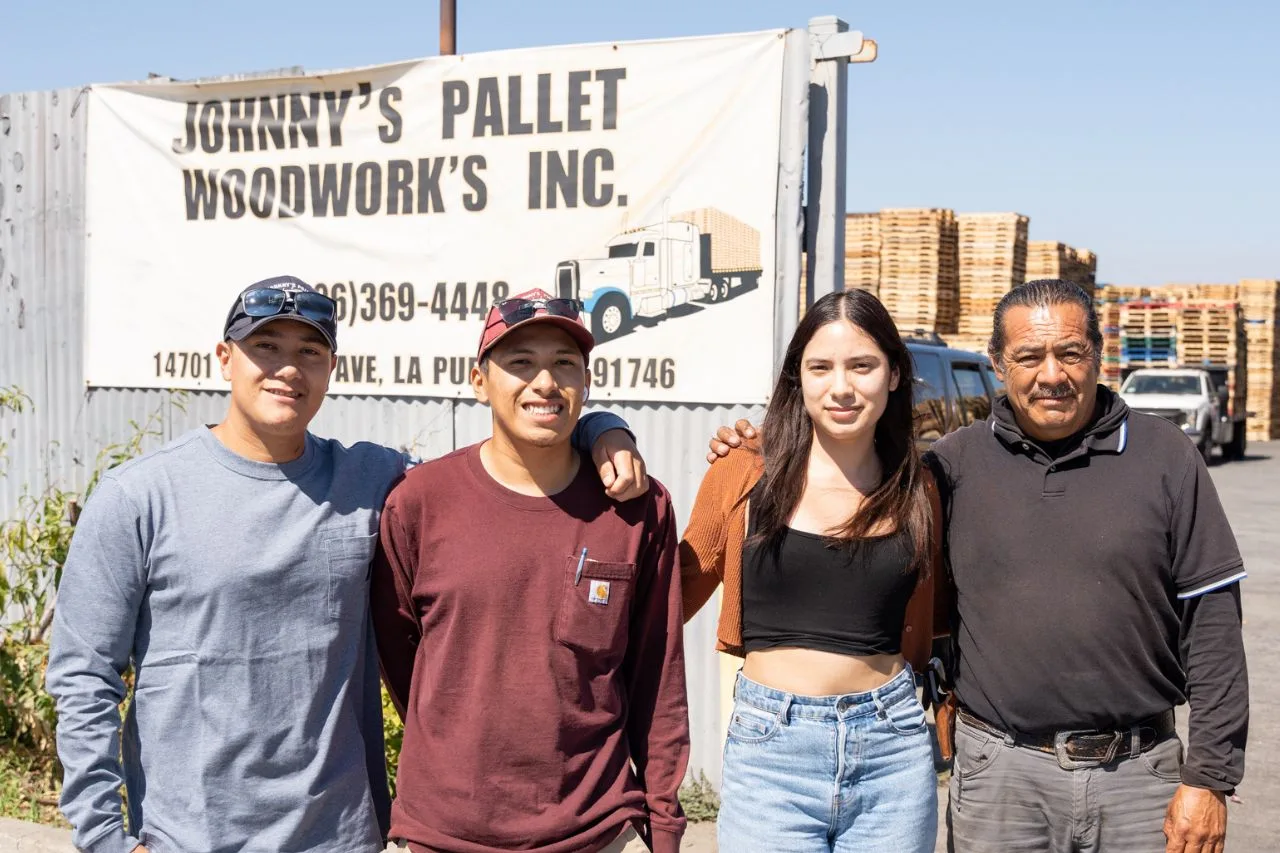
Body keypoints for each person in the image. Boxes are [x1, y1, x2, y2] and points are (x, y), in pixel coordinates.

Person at [46, 276, 649, 853]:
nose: (288, 368)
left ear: (331, 369)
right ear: (224, 358)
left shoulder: (374, 480)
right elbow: (83, 677)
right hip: (192, 835)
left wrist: (599, 426)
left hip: (340, 834)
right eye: (265, 346)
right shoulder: (139, 497)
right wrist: (105, 838)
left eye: (310, 350)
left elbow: (506, 460)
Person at [710, 279, 1250, 853]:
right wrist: (758, 445)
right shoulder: (949, 468)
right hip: (1000, 782)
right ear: (997, 364)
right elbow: (843, 468)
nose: (1051, 374)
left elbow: (1213, 624)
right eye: (1028, 356)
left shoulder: (1165, 457)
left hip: (1141, 780)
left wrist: (1210, 777)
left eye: (1070, 353)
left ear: (1097, 353)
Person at [371, 289, 690, 853]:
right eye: (520, 363)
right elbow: (403, 661)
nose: (545, 382)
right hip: (445, 833)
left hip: (596, 830)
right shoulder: (421, 502)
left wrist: (662, 827)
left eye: (564, 364)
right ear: (478, 381)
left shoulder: (636, 509)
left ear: (585, 383)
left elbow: (655, 676)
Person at [682, 290, 945, 852]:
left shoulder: (918, 488)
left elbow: (935, 621)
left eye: (862, 366)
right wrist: (602, 432)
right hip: (771, 750)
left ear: (894, 375)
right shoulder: (743, 473)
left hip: (892, 747)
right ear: (796, 377)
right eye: (820, 367)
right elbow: (670, 593)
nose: (841, 387)